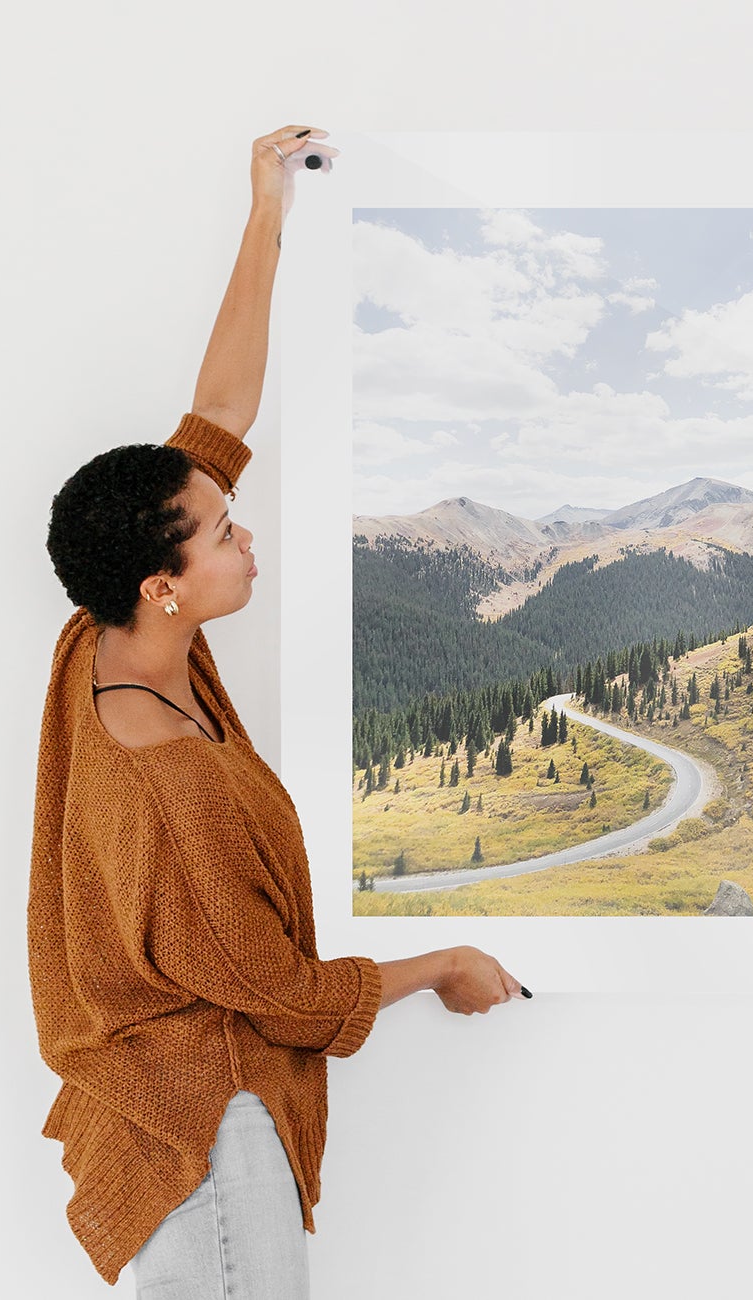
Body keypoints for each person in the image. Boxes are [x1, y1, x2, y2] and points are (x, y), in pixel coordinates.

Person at [27, 124, 528, 1297]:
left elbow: (217, 412)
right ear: (164, 582)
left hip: (174, 1109)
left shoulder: (98, 639)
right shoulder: (171, 779)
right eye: (223, 532)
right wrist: (446, 960)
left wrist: (267, 214)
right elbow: (292, 997)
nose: (247, 534)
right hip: (213, 1137)